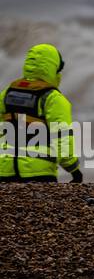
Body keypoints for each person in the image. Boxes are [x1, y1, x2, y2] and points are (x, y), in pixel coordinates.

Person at [1, 43, 83, 184]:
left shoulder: (8, 92)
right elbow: (62, 137)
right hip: (38, 172)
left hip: (4, 170)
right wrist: (74, 170)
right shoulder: (53, 98)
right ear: (52, 68)